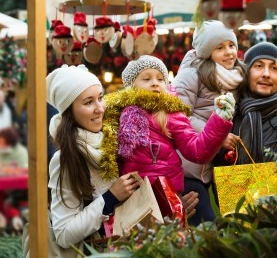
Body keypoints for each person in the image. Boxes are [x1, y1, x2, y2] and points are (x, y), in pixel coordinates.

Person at [101, 55, 235, 214]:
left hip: (165, 194)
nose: (154, 83)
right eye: (146, 78)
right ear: (132, 86)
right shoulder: (117, 114)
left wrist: (218, 120)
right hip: (132, 196)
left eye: (160, 79)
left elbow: (197, 150)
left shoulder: (170, 113)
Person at [46, 64, 139, 256]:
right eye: (88, 102)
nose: (100, 109)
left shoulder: (117, 138)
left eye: (100, 98)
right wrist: (110, 198)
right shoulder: (65, 159)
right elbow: (63, 233)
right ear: (69, 111)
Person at [172, 20, 245, 225]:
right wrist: (216, 135)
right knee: (207, 227)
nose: (229, 52)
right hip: (186, 166)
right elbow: (179, 115)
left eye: (231, 45)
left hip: (205, 169)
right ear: (206, 52)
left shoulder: (234, 77)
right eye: (219, 48)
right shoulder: (191, 74)